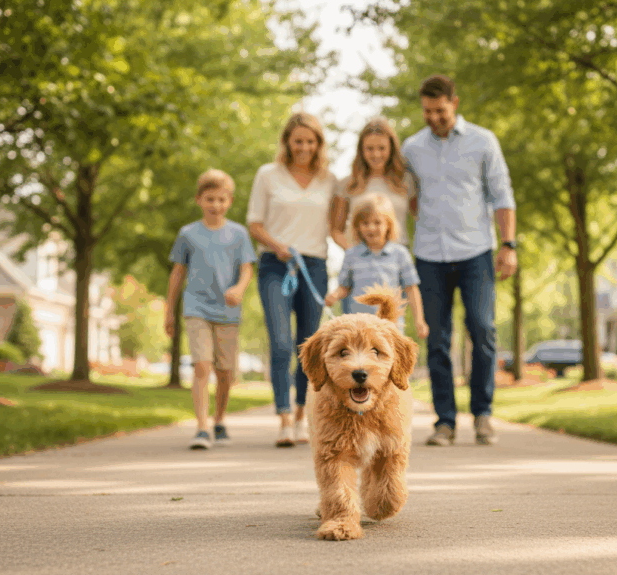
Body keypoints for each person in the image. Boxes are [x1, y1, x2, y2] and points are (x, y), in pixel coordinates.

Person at [402, 74, 517, 447]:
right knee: (436, 339)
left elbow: (502, 195)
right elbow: (407, 196)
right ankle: (445, 421)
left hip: (475, 253)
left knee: (483, 330)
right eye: (427, 111)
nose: (433, 117)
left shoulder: (483, 141)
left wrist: (508, 245)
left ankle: (482, 415)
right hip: (429, 256)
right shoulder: (412, 148)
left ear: (455, 102)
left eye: (440, 111)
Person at [247, 112, 338, 447]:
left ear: (318, 144)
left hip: (314, 265)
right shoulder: (268, 175)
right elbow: (255, 223)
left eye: (310, 141)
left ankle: (303, 417)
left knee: (309, 347)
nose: (303, 147)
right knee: (282, 342)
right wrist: (276, 245)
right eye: (298, 140)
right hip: (276, 264)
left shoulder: (329, 179)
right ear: (287, 141)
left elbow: (337, 226)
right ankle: (284, 418)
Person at [165, 169, 256, 450]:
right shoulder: (188, 234)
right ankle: (202, 427)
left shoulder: (239, 234)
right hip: (197, 308)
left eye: (221, 199)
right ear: (199, 200)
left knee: (225, 372)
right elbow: (177, 273)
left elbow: (247, 269)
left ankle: (219, 419)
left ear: (229, 201)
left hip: (227, 312)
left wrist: (239, 289)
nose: (215, 205)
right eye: (209, 199)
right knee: (202, 365)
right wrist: (169, 311)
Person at [325, 194, 429, 339]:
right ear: (358, 226)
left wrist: (419, 320)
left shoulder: (400, 254)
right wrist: (334, 296)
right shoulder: (351, 255)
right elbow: (344, 286)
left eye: (377, 222)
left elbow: (411, 289)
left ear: (388, 225)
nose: (371, 228)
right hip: (359, 325)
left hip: (391, 325)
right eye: (365, 223)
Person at [329, 117, 415, 256]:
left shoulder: (405, 182)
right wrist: (355, 253)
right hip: (361, 262)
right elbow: (336, 231)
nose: (376, 154)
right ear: (361, 150)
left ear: (391, 149)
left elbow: (420, 220)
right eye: (369, 149)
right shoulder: (348, 184)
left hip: (397, 260)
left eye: (382, 148)